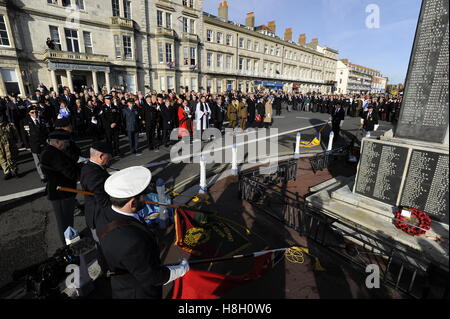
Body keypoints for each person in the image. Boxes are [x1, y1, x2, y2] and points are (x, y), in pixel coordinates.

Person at [96, 166, 190, 299]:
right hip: (138, 292)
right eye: (143, 196)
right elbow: (153, 277)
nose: (146, 198)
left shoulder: (104, 213)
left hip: (120, 283)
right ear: (132, 203)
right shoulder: (132, 241)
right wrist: (181, 270)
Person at [40, 130, 79, 246]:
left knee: (67, 220)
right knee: (65, 223)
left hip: (63, 191)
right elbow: (70, 173)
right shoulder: (52, 154)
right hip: (62, 193)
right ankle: (68, 246)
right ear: (57, 142)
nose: (67, 145)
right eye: (66, 142)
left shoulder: (53, 151)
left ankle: (70, 240)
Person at [79, 141, 113, 272]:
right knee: (103, 246)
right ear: (101, 156)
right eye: (108, 157)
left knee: (103, 245)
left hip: (96, 214)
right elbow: (103, 201)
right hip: (98, 216)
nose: (109, 159)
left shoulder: (90, 167)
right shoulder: (93, 174)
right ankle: (107, 270)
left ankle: (106, 267)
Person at [21, 105, 49, 182]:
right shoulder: (25, 121)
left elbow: (47, 130)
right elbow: (24, 135)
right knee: (38, 162)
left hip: (44, 142)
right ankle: (42, 176)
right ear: (29, 113)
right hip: (34, 144)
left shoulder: (42, 119)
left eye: (36, 112)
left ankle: (49, 174)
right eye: (32, 112)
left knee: (46, 159)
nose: (35, 113)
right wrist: (27, 146)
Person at [0, 112, 19, 179]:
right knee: (2, 158)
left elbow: (15, 133)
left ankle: (14, 170)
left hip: (10, 143)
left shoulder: (9, 125)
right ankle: (7, 172)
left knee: (11, 157)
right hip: (0, 144)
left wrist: (16, 141)